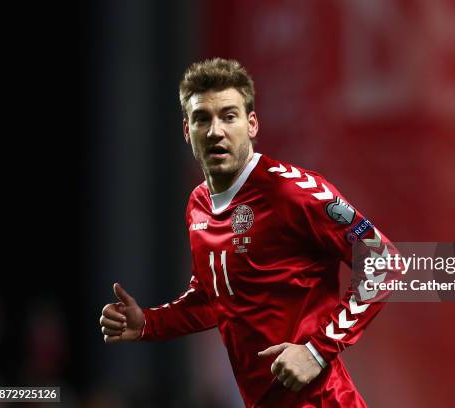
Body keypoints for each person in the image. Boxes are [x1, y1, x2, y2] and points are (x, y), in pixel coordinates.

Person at [99, 58, 398, 407]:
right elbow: (216, 298)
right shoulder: (198, 204)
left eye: (228, 116)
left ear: (251, 124)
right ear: (186, 131)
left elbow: (384, 260)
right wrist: (149, 323)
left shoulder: (293, 191)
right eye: (202, 119)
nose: (215, 131)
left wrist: (316, 351)